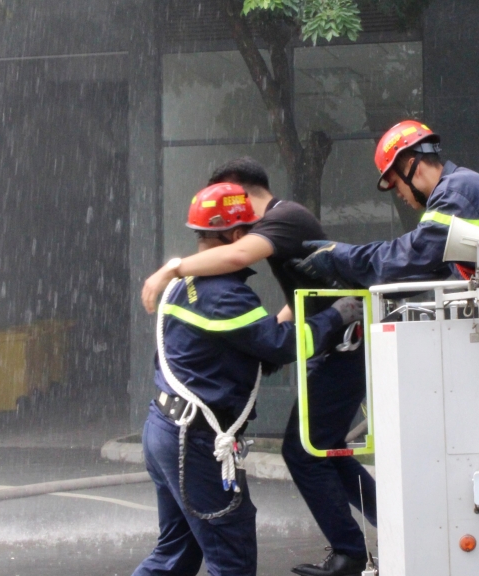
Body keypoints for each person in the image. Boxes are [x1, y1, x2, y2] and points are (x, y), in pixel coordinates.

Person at [141, 158, 376, 576]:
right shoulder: (224, 293)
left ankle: (371, 538)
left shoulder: (189, 284)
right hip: (192, 441)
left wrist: (172, 269)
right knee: (230, 558)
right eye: (245, 228)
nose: (251, 233)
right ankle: (367, 540)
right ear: (233, 231)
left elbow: (268, 323)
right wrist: (332, 317)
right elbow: (278, 344)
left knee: (176, 555)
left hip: (165, 429)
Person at [294, 120, 479, 318]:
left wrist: (340, 256)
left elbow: (414, 255)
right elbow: (419, 273)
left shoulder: (455, 190)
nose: (400, 195)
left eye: (396, 184)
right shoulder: (461, 188)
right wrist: (350, 277)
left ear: (410, 166)